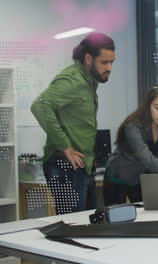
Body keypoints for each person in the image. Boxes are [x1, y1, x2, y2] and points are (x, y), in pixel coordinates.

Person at [31, 32, 115, 214]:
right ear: (88, 58)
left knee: (89, 224)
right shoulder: (72, 80)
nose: (109, 68)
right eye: (104, 62)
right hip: (64, 166)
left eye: (111, 63)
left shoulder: (90, 81)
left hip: (82, 165)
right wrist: (65, 146)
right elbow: (40, 106)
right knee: (73, 228)